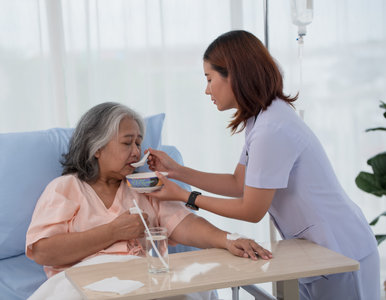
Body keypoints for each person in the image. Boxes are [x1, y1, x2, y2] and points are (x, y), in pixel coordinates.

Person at [146, 30, 380, 300]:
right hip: (314, 250)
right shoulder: (259, 119)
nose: (207, 89)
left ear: (233, 74)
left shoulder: (272, 127)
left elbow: (252, 209)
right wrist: (177, 171)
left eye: (209, 79)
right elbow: (238, 182)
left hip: (341, 250)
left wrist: (185, 195)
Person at [25, 102, 272, 299]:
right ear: (96, 147)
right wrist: (112, 232)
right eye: (127, 142)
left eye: (139, 142)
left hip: (141, 281)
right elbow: (42, 251)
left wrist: (228, 239)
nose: (136, 151)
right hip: (87, 283)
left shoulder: (143, 186)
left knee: (182, 292)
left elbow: (184, 224)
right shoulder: (65, 188)